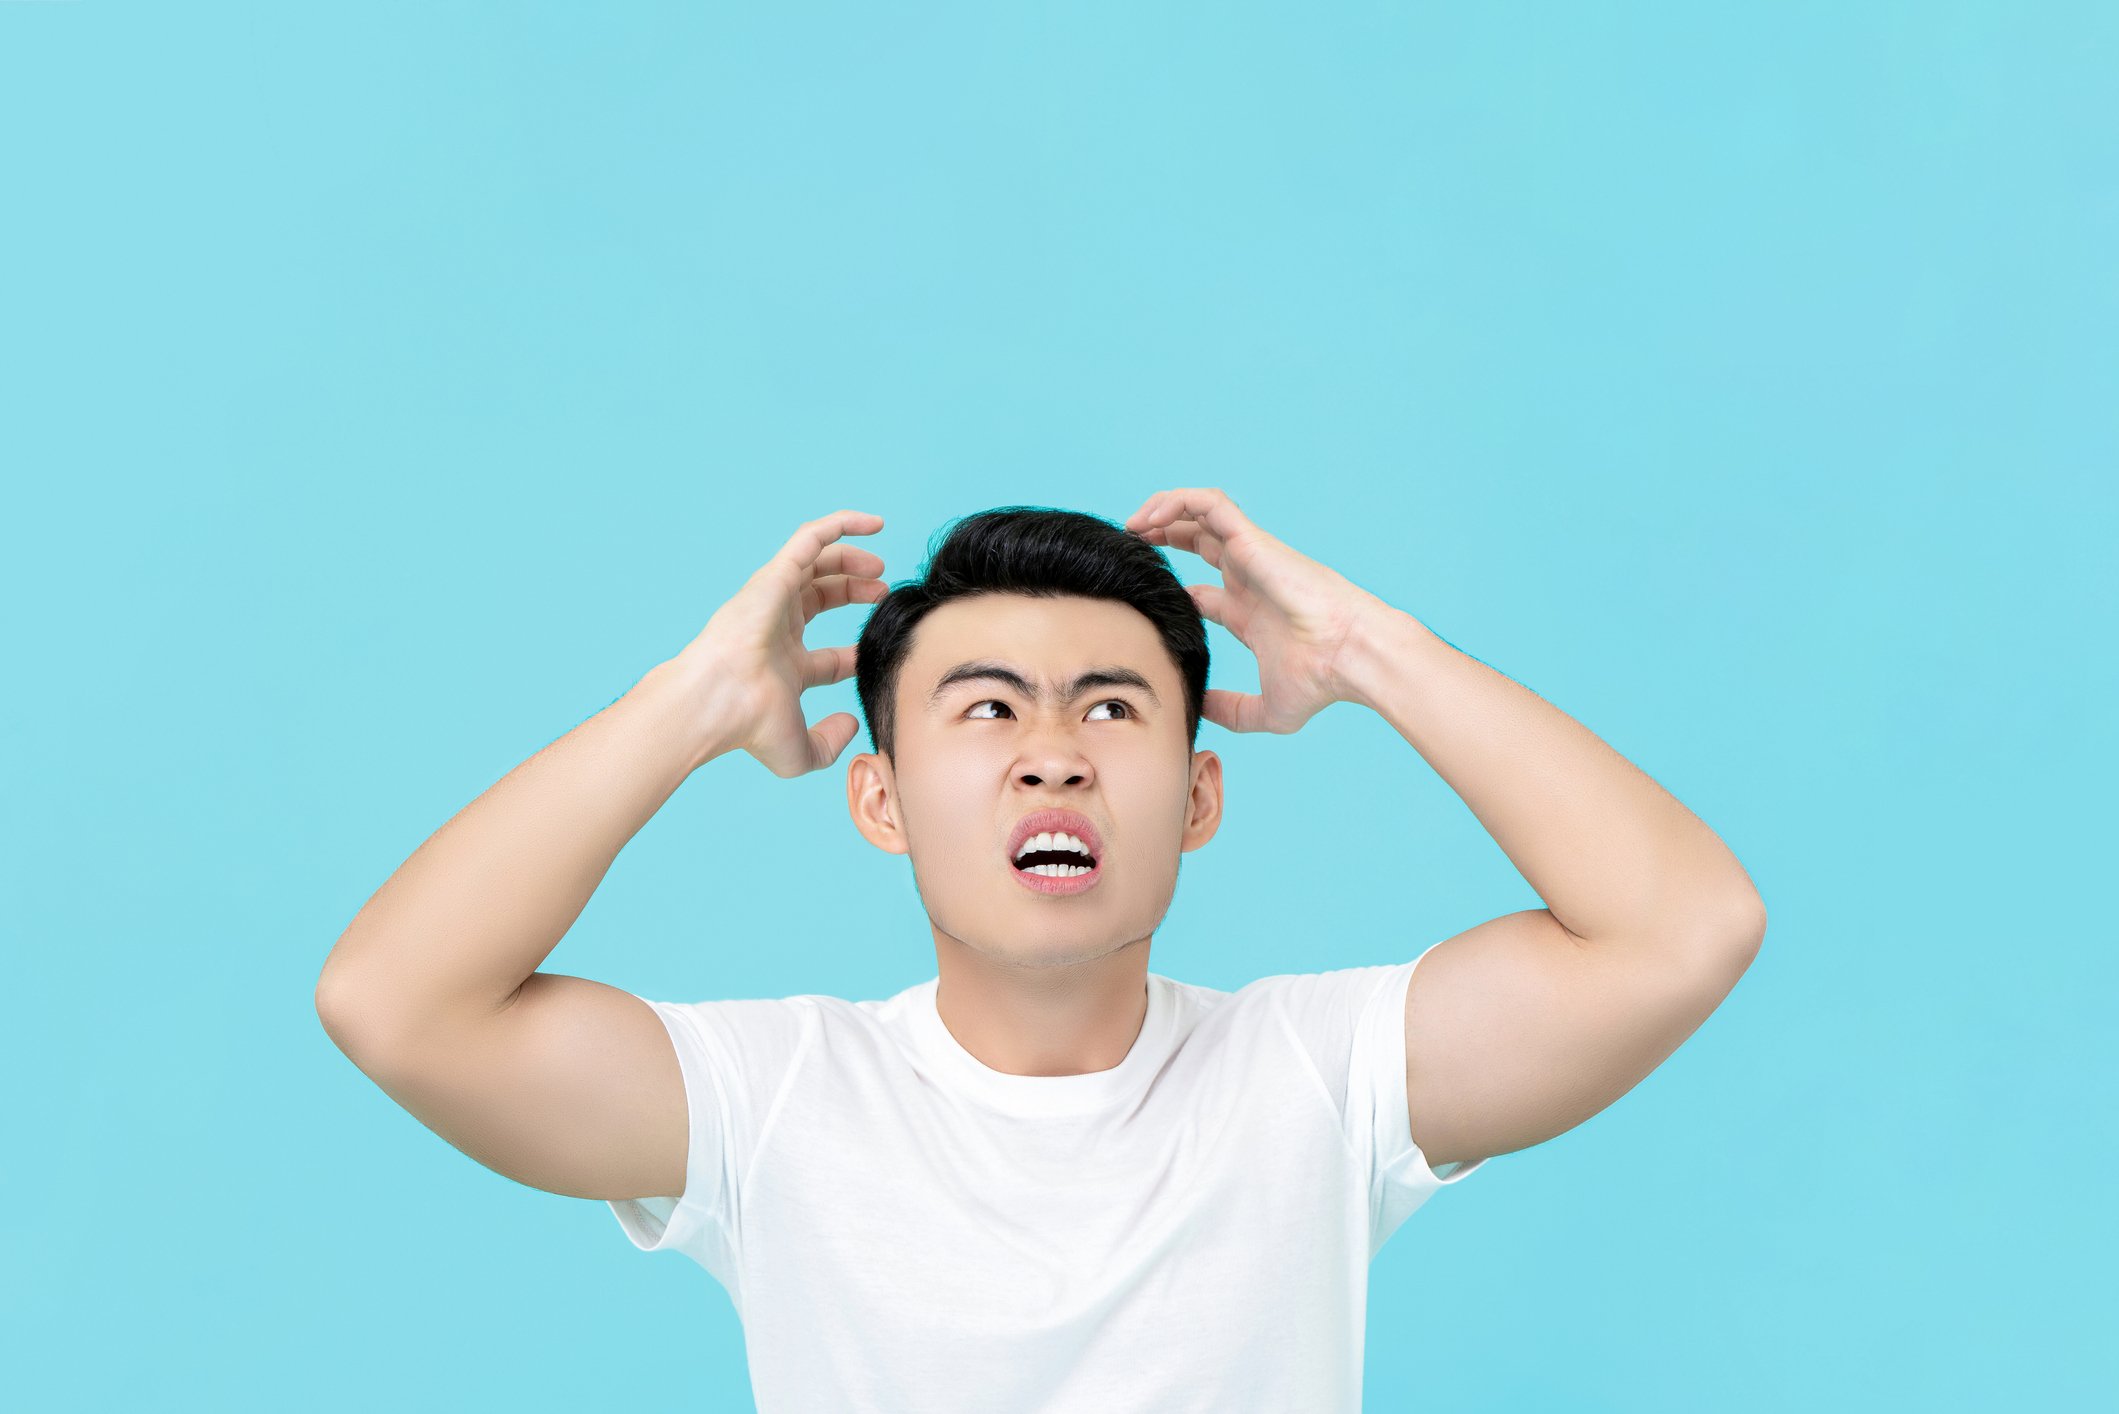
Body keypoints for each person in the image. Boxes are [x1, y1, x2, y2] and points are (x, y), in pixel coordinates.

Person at [315, 491, 1767, 1412]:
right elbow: (395, 1000)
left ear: (1199, 797)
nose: (1053, 758)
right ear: (877, 798)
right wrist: (691, 699)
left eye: (1114, 709)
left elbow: (1683, 927)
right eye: (990, 710)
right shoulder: (776, 1100)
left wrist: (1367, 650)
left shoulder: (1317, 1080)